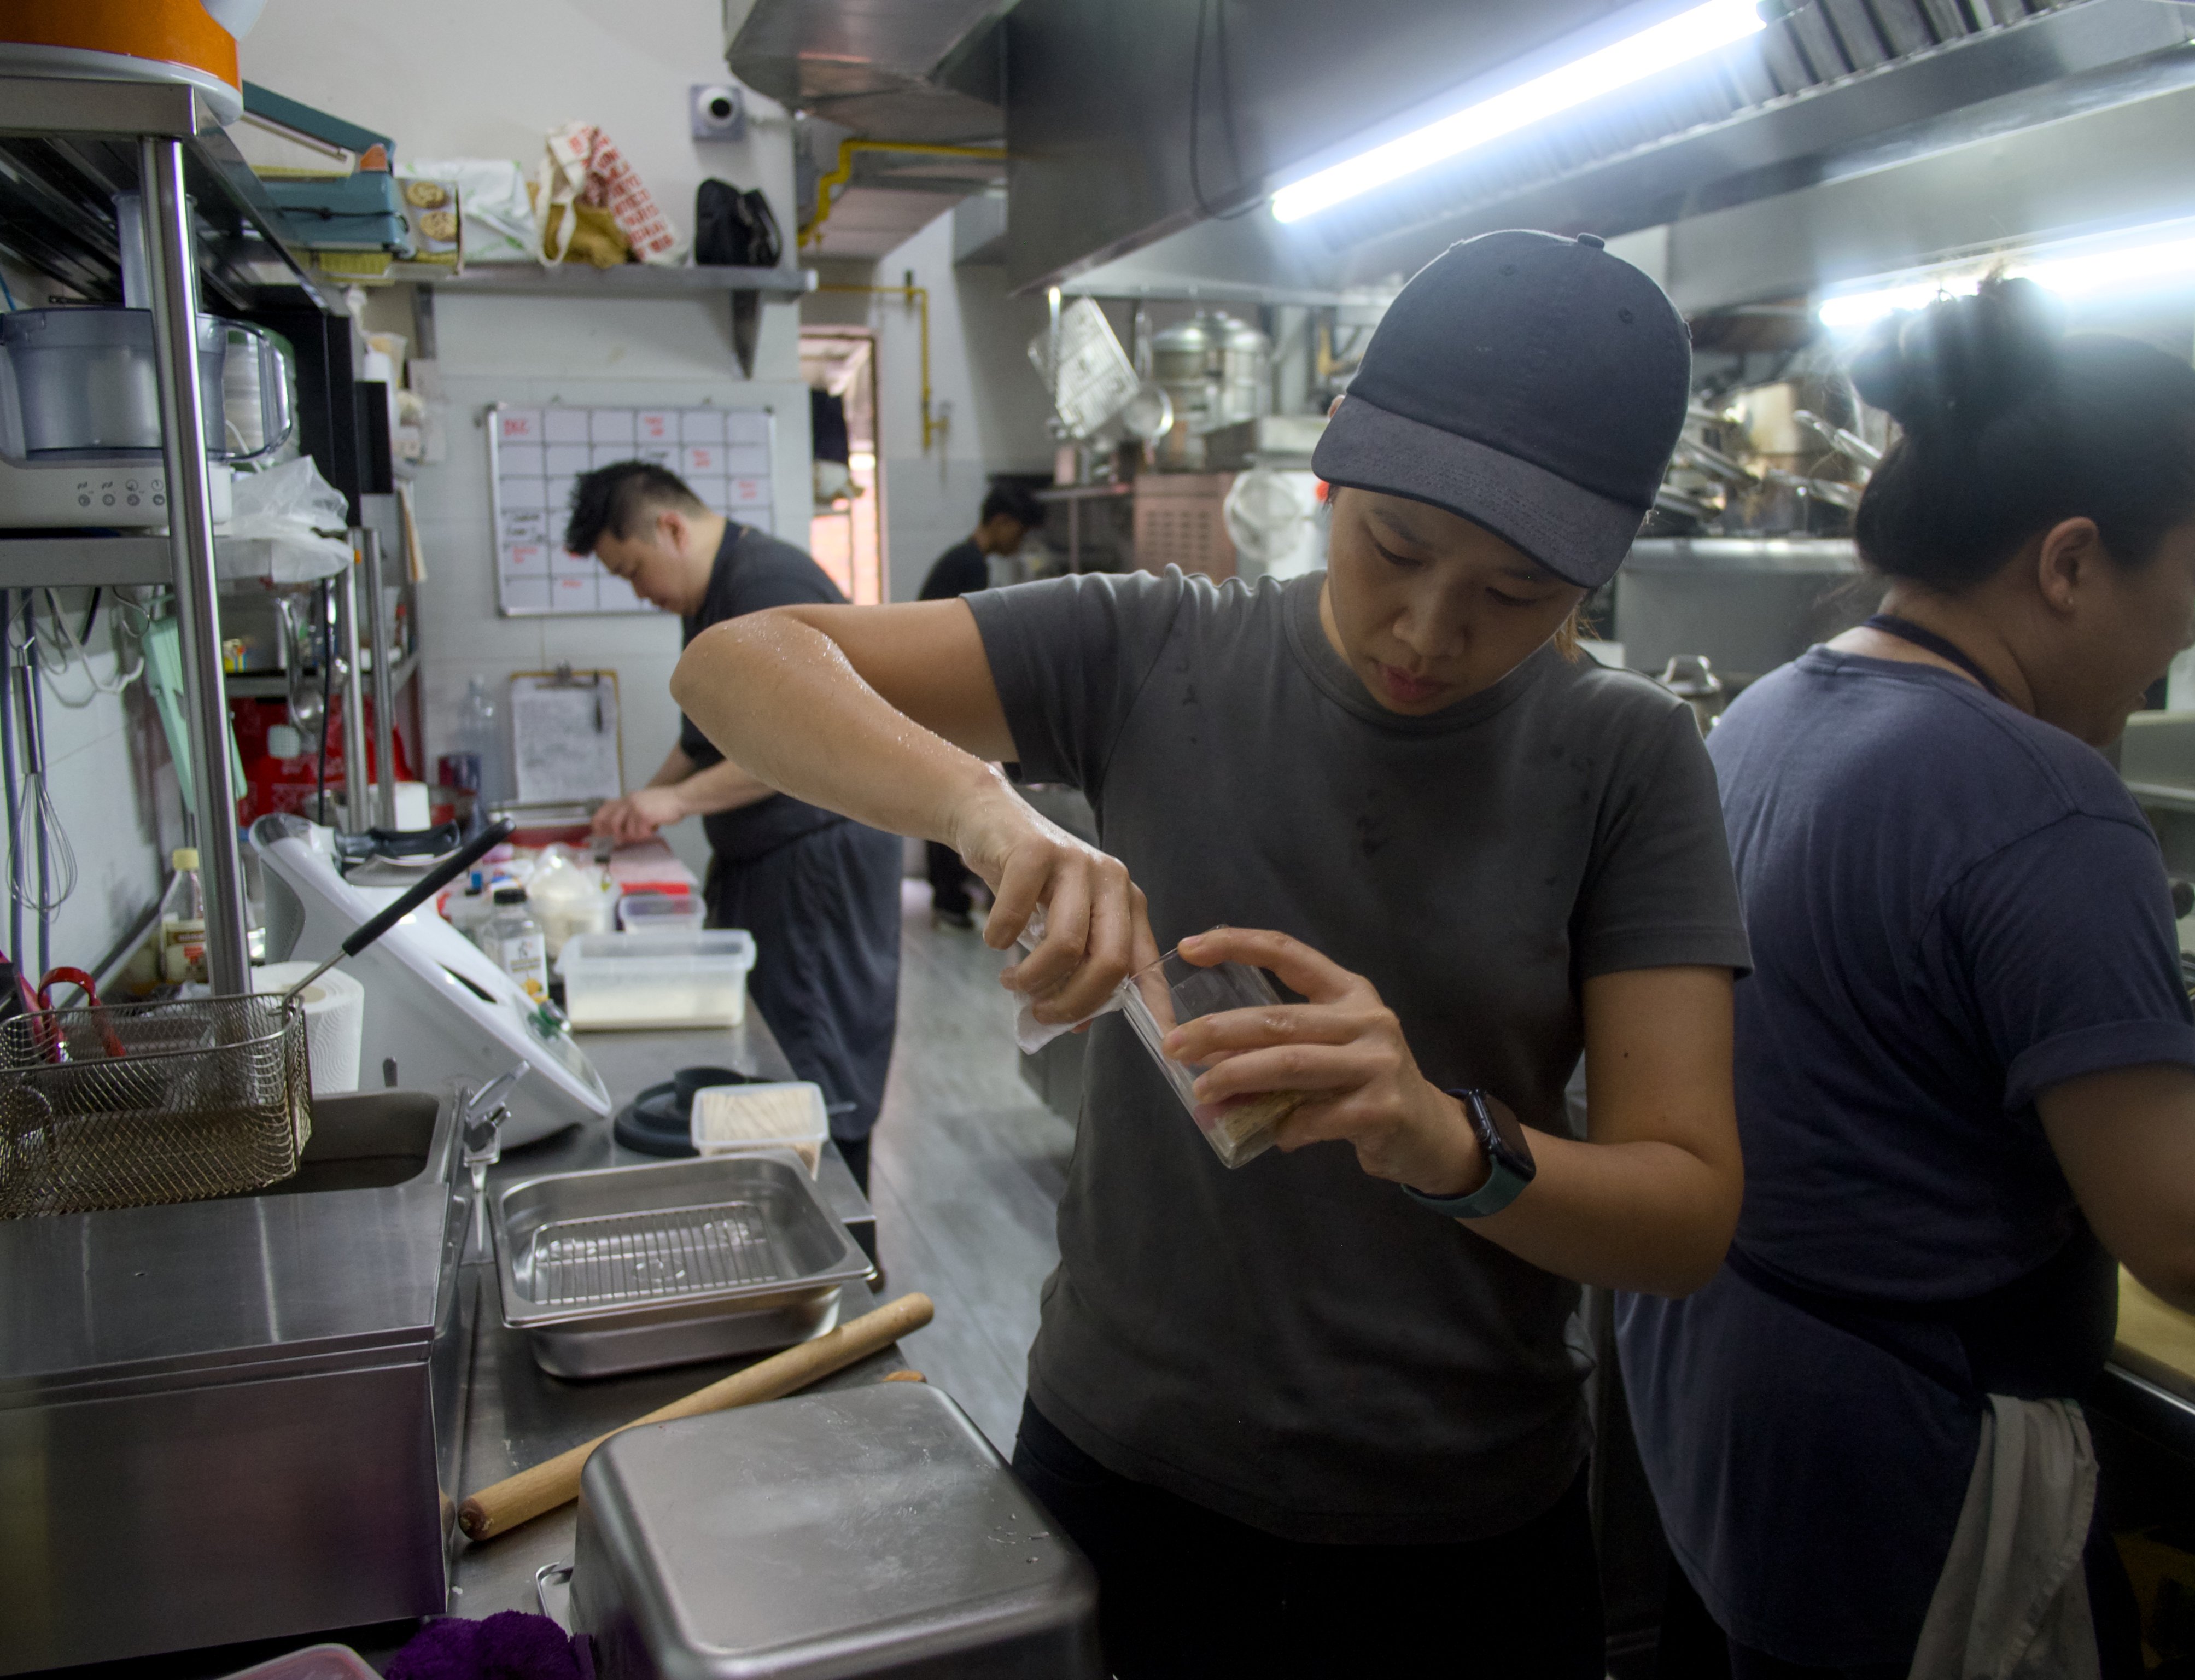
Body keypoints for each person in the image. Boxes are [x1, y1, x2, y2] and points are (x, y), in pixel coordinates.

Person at [671, 230, 1752, 1675]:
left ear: (1599, 574)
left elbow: (1685, 1216)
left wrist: (1444, 1138)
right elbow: (736, 665)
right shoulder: (1151, 652)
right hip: (1128, 1484)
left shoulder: (1626, 760)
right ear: (1335, 478)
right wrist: (985, 816)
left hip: (1461, 1541)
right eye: (1399, 550)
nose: (1429, 631)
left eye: (1516, 594)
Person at [1615, 280, 2195, 1680]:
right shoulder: (2041, 799)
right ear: (2071, 560)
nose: (2193, 631)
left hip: (1723, 1408)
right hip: (1901, 1459)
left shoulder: (1779, 707)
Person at [572, 462, 901, 1191]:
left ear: (671, 528)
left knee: (817, 1057)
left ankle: (845, 1247)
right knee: (777, 1046)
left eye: (632, 570)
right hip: (773, 857)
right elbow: (706, 738)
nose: (639, 591)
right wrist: (644, 798)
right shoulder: (714, 590)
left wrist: (680, 804)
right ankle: (790, 1203)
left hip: (819, 857)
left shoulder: (764, 588)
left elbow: (812, 740)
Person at [917, 482, 1047, 928]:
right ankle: (951, 896)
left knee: (946, 793)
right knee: (951, 794)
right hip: (940, 694)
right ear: (1002, 523)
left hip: (933, 690)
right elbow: (965, 642)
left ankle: (951, 894)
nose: (1020, 544)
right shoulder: (969, 565)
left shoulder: (961, 558)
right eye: (1021, 532)